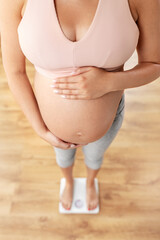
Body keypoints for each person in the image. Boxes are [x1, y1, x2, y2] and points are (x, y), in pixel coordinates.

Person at [0, 0, 160, 212]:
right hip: (49, 126)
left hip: (107, 122)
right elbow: (14, 72)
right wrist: (40, 129)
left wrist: (107, 82)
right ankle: (68, 181)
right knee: (63, 158)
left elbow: (155, 65)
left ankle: (91, 181)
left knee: (95, 156)